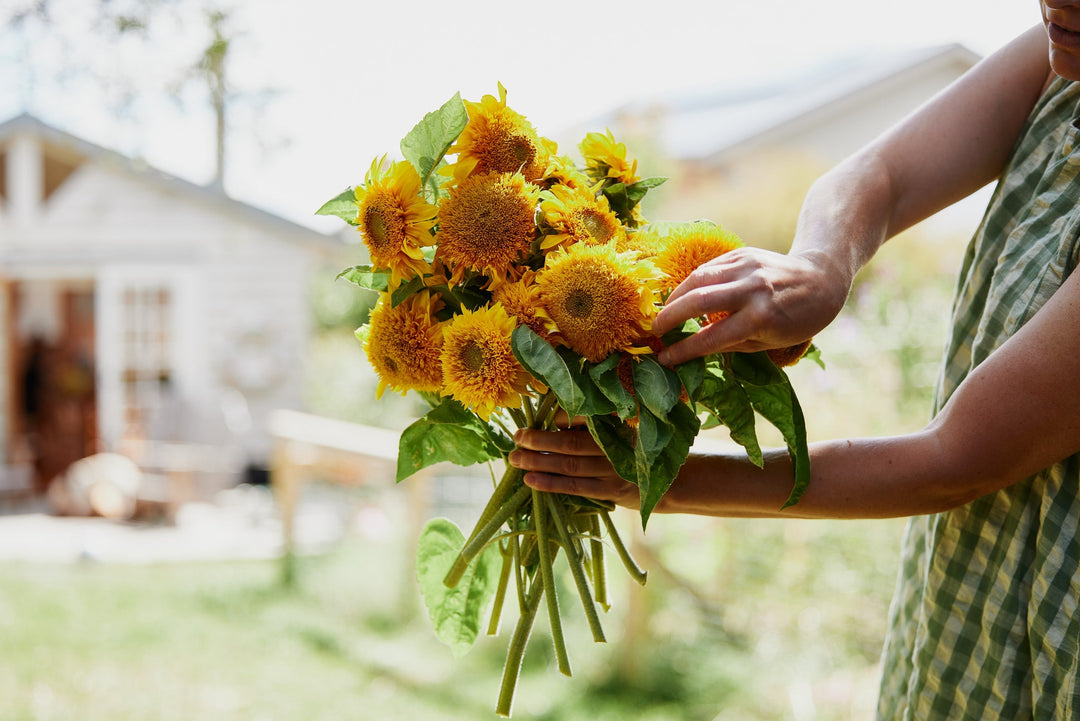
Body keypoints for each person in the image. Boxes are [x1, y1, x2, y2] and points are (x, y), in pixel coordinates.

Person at [509, 8, 1080, 720]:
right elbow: (883, 174)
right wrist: (819, 264)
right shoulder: (1060, 56)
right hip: (974, 575)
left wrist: (667, 479)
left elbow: (958, 457)